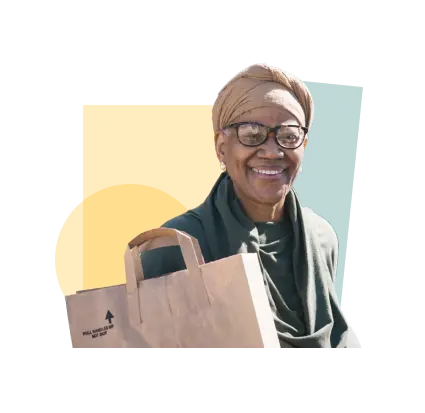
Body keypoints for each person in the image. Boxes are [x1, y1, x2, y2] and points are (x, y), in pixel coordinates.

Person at [141, 64, 352, 351]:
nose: (272, 151)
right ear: (221, 146)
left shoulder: (322, 237)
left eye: (289, 136)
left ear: (304, 145)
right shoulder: (173, 244)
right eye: (251, 134)